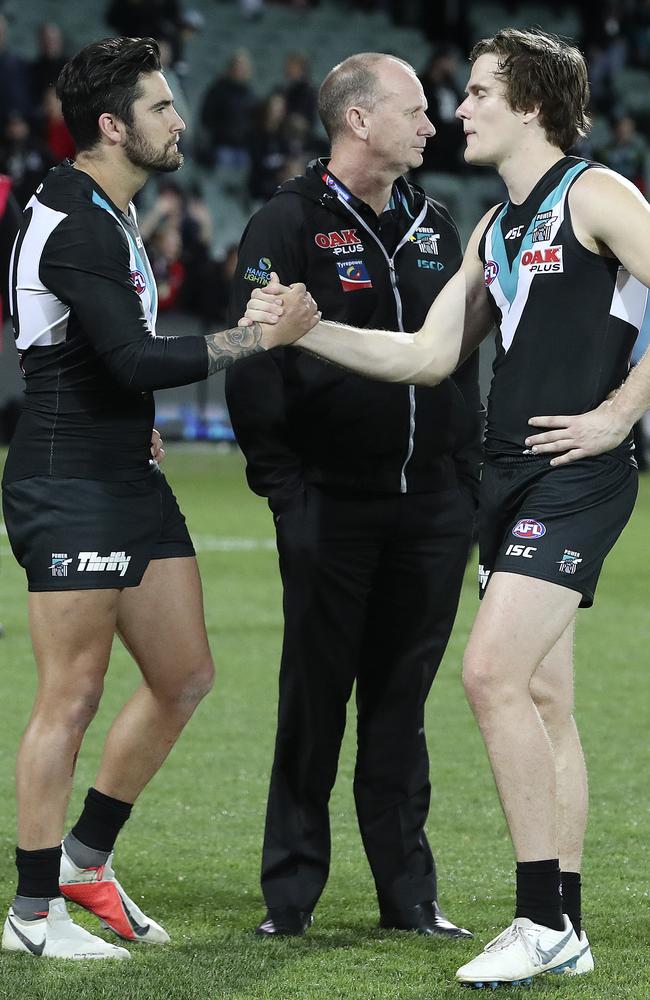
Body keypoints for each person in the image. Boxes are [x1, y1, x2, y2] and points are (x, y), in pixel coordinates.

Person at [243, 27, 650, 986]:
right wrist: (310, 333)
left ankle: (540, 916)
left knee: (488, 676)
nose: (455, 110)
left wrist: (615, 415)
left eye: (473, 95)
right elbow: (427, 358)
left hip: (573, 474)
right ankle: (571, 926)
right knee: (546, 698)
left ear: (531, 105)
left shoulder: (597, 194)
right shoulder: (493, 227)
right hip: (504, 478)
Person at [0, 35, 315, 962]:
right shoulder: (78, 218)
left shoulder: (107, 208)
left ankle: (83, 863)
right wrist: (256, 335)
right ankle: (29, 911)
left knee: (184, 676)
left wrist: (129, 417)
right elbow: (130, 357)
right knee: (71, 695)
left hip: (123, 473)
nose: (179, 120)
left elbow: (105, 360)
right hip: (69, 482)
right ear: (112, 125)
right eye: (162, 108)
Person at [225, 52, 481, 940]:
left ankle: (409, 899)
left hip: (433, 511)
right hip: (329, 506)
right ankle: (289, 899)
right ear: (360, 121)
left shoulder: (439, 224)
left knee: (401, 709)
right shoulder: (285, 222)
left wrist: (466, 485)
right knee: (314, 701)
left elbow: (464, 367)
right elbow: (251, 361)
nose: (433, 121)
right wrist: (284, 493)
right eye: (414, 108)